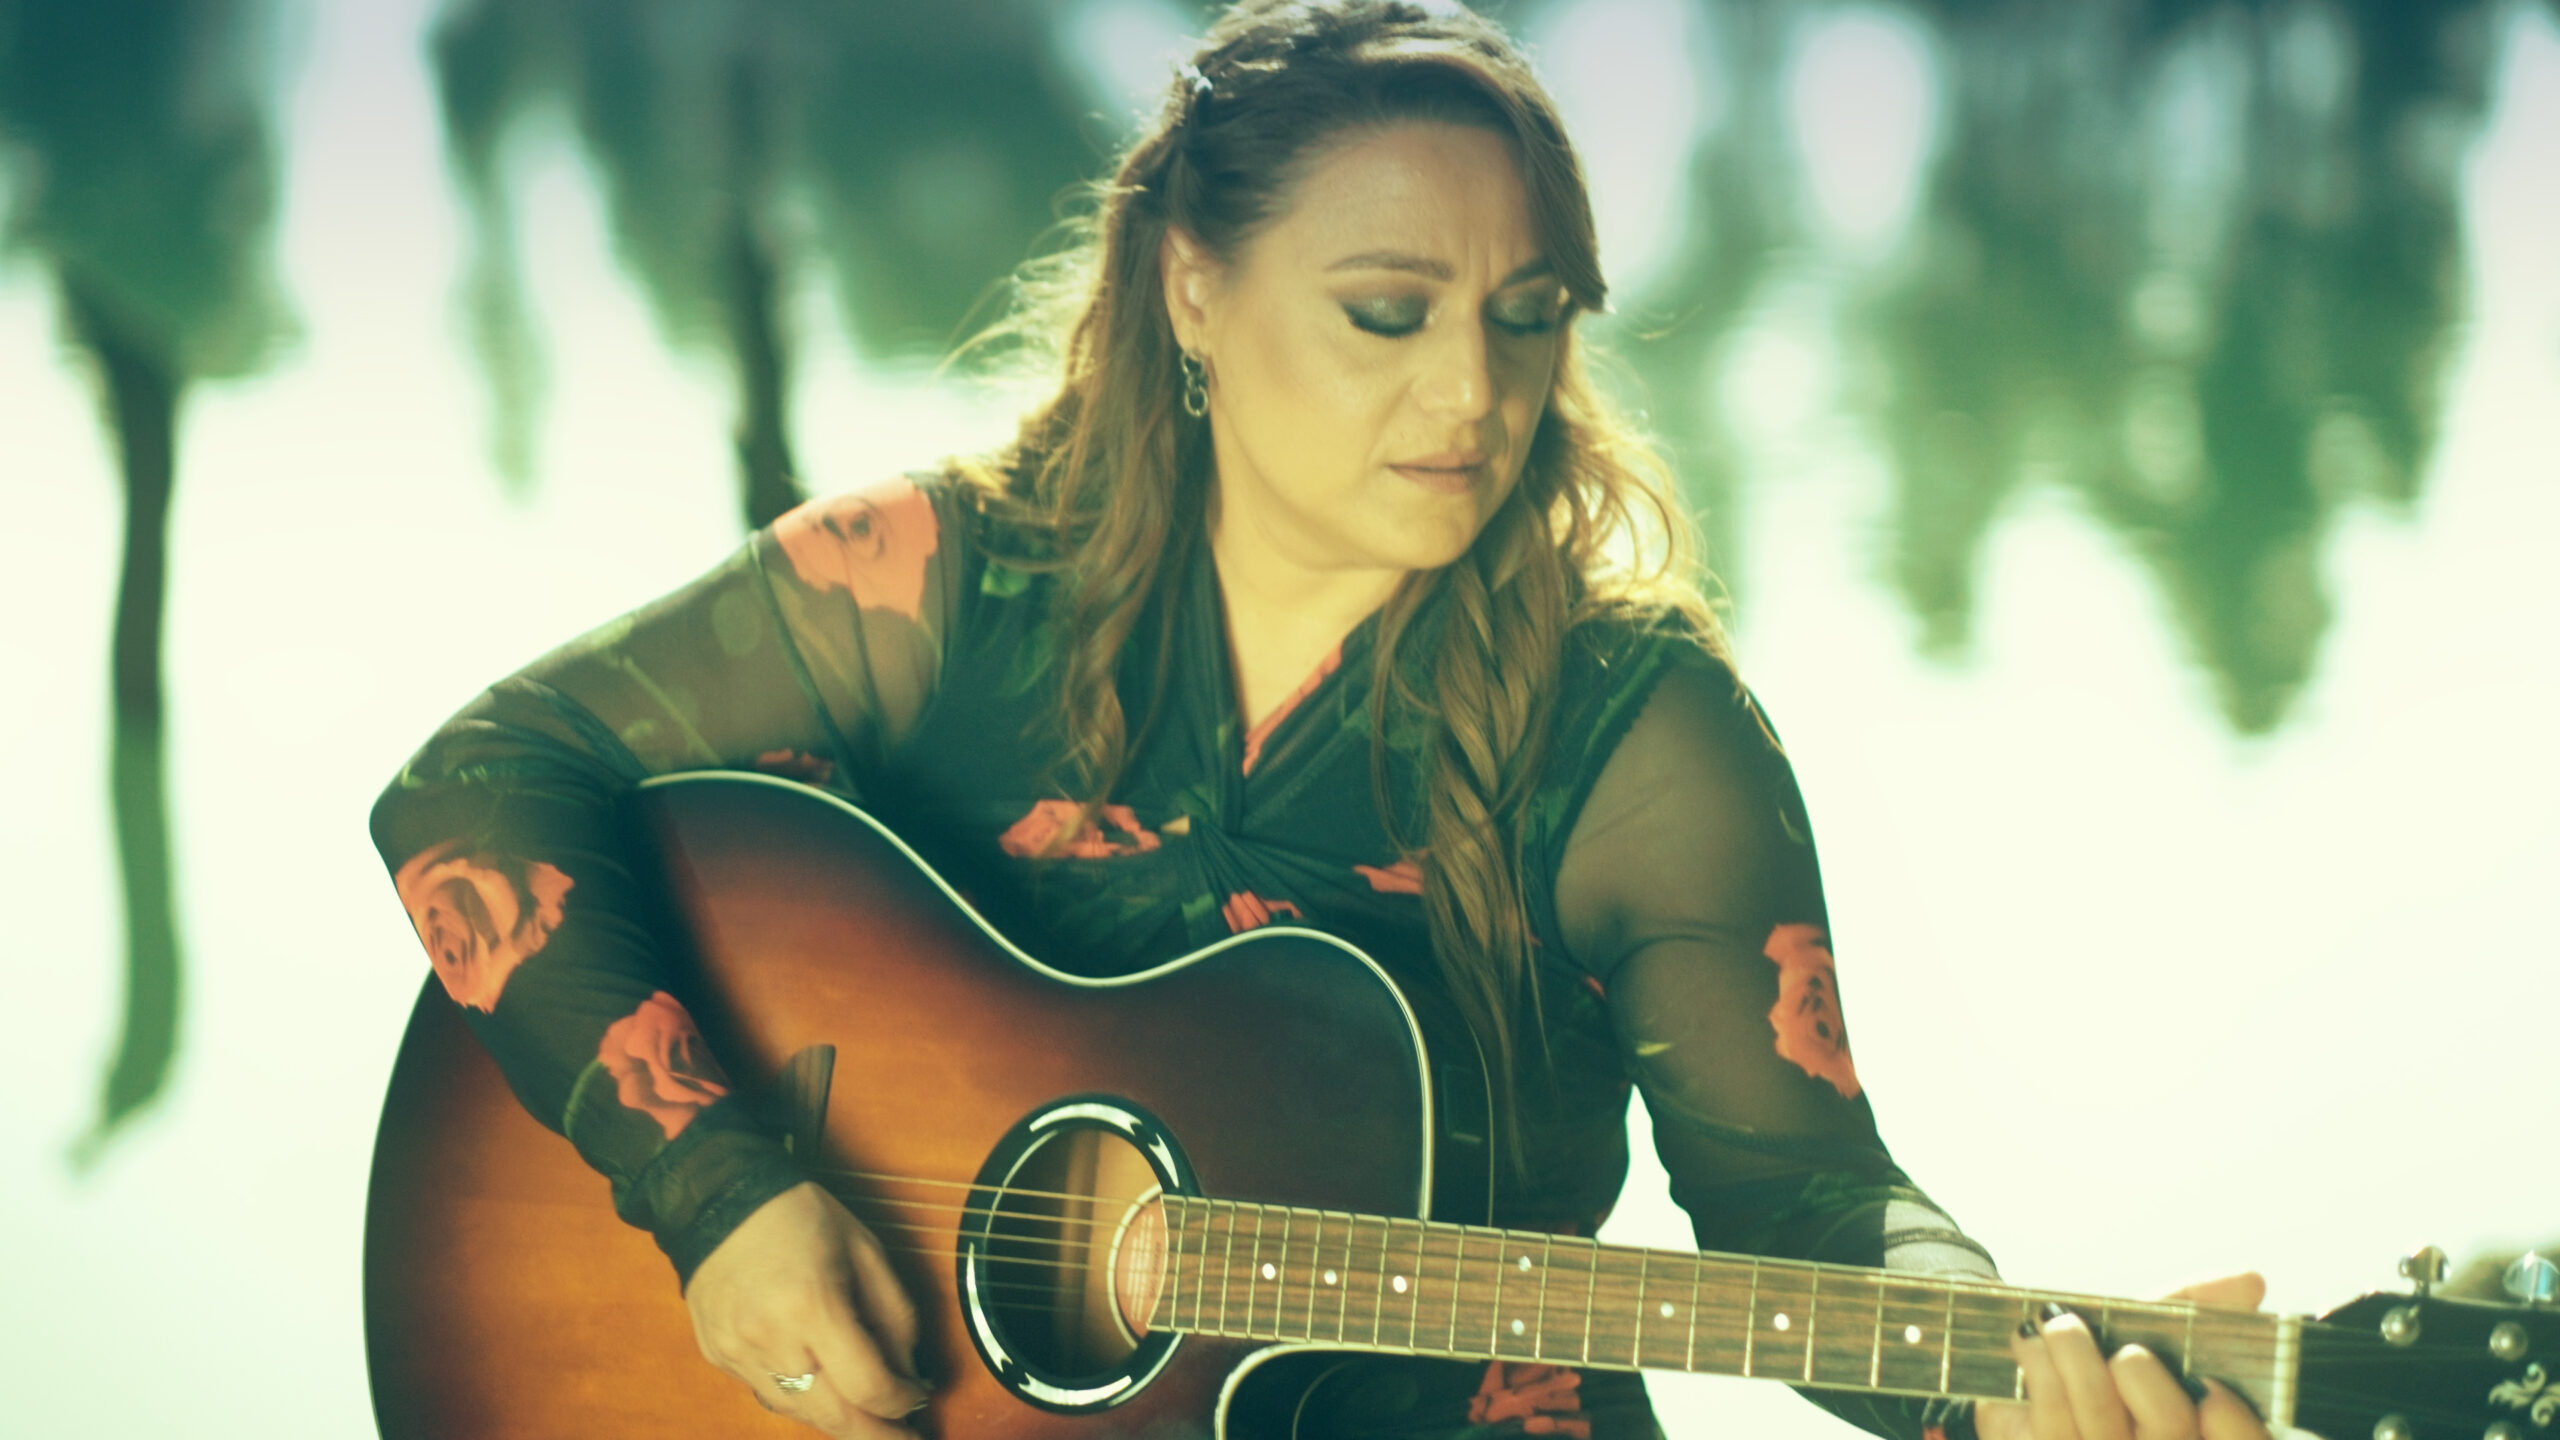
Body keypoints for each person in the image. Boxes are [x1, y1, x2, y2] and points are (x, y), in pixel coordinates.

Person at [370, 3, 2272, 1437]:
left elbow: (1811, 1207)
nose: (1475, 392)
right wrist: (725, 1198)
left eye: (1527, 313)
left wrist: (2020, 1379)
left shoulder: (1642, 732)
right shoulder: (936, 586)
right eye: (1389, 312)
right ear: (1193, 289)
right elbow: (476, 783)